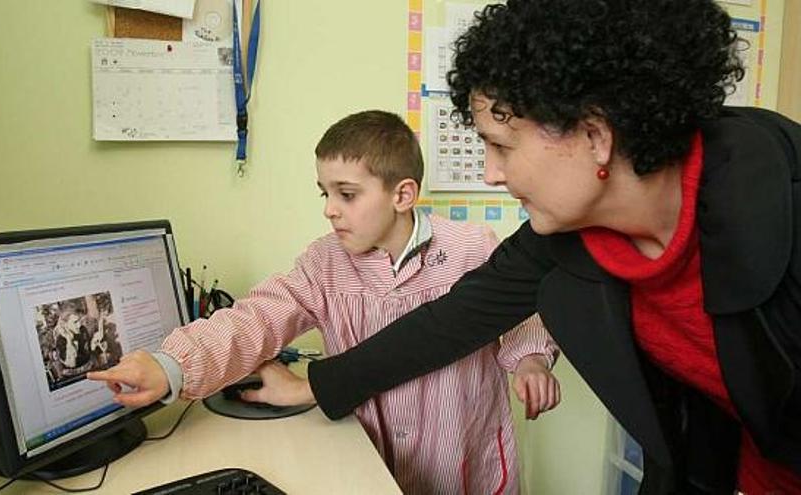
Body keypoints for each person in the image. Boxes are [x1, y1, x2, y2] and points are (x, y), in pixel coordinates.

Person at [266, 2, 801, 494]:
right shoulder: (566, 237)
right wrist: (316, 384)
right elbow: (449, 323)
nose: (490, 173)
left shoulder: (783, 201)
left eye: (501, 145)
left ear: (596, 136)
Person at [89, 110, 561, 494]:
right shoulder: (323, 263)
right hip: (372, 462)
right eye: (325, 192)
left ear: (402, 194)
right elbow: (256, 317)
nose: (329, 208)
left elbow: (525, 306)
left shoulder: (470, 247)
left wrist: (530, 359)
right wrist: (172, 365)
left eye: (347, 194)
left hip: (466, 461)